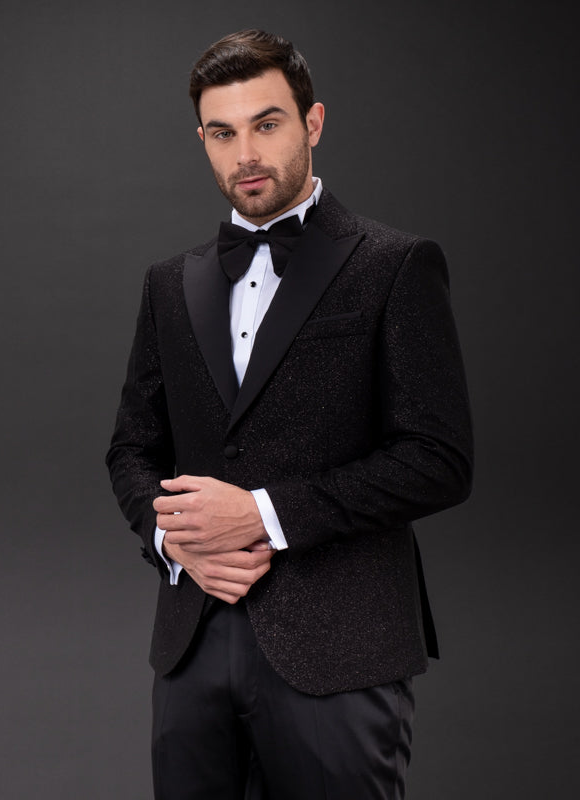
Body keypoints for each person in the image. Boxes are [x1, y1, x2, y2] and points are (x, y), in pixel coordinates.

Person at [105, 29, 473, 800]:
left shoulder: (395, 264)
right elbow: (132, 450)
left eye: (266, 124)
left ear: (312, 122)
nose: (245, 154)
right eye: (222, 133)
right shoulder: (168, 283)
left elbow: (437, 459)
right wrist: (176, 542)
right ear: (202, 141)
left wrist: (263, 515)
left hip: (343, 653)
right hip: (192, 646)